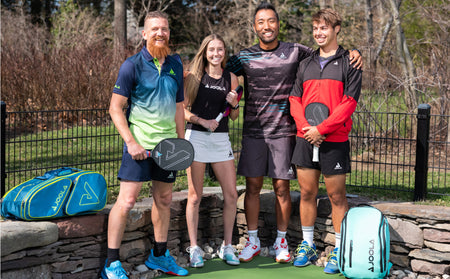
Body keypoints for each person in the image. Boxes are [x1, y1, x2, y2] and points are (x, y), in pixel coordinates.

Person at [225, 2, 362, 263]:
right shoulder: (244, 56)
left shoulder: (298, 52)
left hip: (288, 132)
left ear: (278, 24)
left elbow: (329, 53)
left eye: (271, 21)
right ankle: (253, 241)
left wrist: (354, 51)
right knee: (254, 188)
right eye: (261, 22)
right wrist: (192, 76)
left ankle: (283, 241)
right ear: (254, 27)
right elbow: (219, 68)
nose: (267, 26)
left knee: (284, 189)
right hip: (256, 131)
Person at [102, 11, 188, 278]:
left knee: (163, 199)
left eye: (164, 29)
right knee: (126, 201)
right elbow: (115, 109)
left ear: (169, 33)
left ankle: (159, 257)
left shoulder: (176, 65)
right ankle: (111, 264)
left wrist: (180, 143)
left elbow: (178, 107)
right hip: (138, 147)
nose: (159, 33)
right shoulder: (132, 65)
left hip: (167, 148)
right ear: (144, 33)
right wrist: (131, 142)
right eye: (154, 29)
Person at [289, 8, 362, 274]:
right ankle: (307, 246)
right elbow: (294, 100)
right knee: (307, 193)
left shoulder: (350, 62)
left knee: (336, 196)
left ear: (336, 29)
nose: (319, 33)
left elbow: (349, 103)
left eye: (325, 28)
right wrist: (307, 129)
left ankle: (339, 251)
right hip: (305, 137)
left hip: (335, 140)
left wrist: (322, 129)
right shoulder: (305, 63)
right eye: (316, 28)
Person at [183, 34, 241, 267]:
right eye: (211, 49)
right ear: (204, 52)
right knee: (195, 196)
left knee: (232, 195)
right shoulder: (193, 76)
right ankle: (194, 248)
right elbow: (183, 111)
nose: (216, 53)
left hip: (220, 140)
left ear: (224, 52)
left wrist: (235, 104)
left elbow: (234, 115)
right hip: (195, 137)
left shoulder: (232, 78)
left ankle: (227, 247)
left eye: (220, 49)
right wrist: (202, 121)